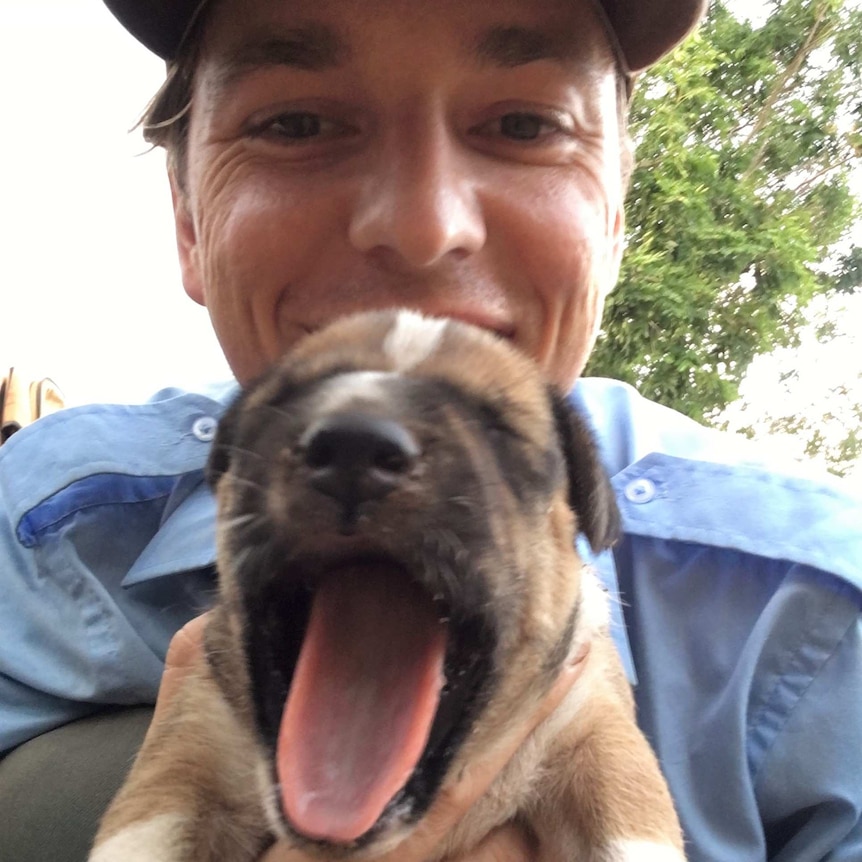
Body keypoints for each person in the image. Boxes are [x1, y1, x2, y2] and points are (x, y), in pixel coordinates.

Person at [0, 0, 860, 859]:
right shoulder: (43, 535)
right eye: (295, 123)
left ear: (614, 213)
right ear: (188, 217)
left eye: (526, 124)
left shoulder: (810, 614)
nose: (420, 227)